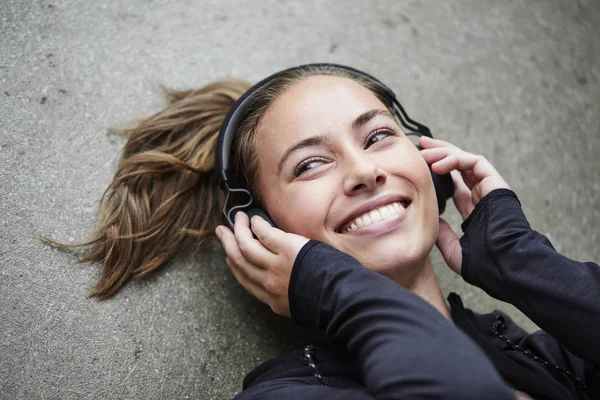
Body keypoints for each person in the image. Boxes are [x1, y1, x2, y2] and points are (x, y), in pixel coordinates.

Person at [56, 64, 599, 399]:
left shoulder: (551, 349)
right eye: (310, 165)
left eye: (380, 135)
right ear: (264, 230)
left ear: (432, 166)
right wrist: (342, 290)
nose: (364, 171)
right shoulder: (288, 396)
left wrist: (521, 258)